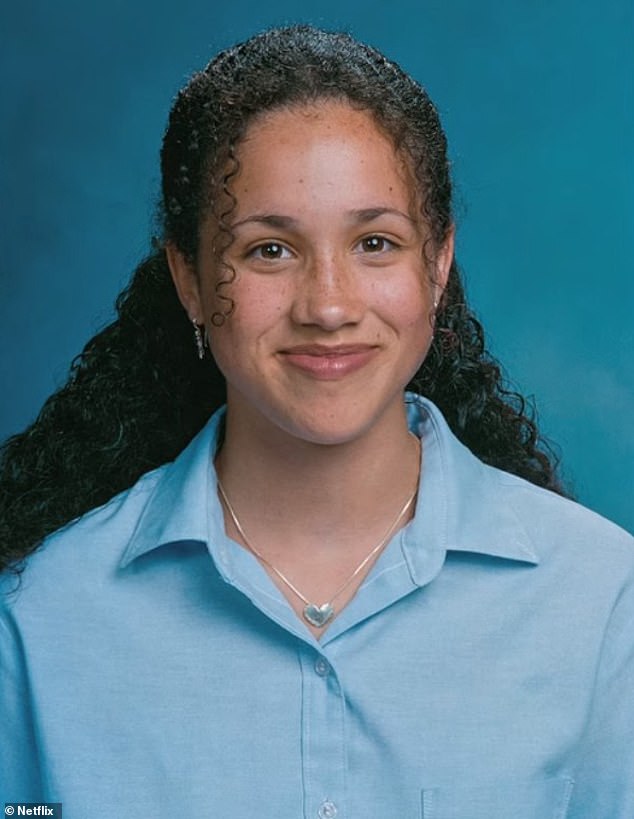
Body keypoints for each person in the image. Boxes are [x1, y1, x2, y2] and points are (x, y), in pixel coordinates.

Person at [1, 25, 632, 819]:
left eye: (375, 242)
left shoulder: (606, 602)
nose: (328, 306)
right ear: (189, 280)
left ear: (436, 266)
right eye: (270, 249)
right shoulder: (39, 622)